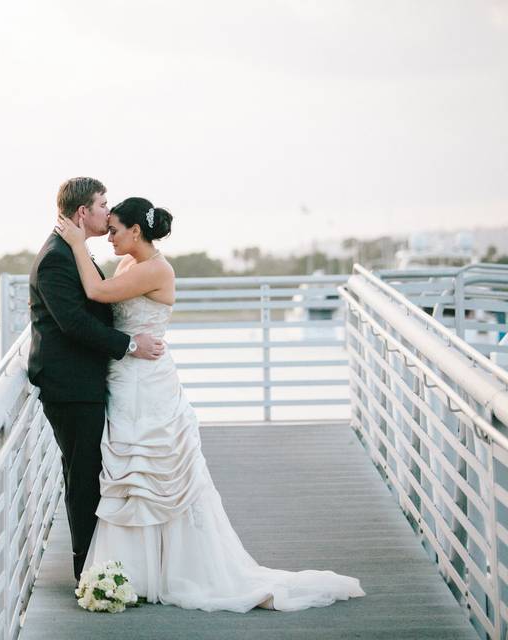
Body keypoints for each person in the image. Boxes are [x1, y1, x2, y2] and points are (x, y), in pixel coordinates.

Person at [54, 196, 365, 612]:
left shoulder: (156, 269)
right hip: (126, 378)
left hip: (148, 385)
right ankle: (135, 570)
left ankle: (171, 570)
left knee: (153, 470)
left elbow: (95, 291)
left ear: (135, 231)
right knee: (129, 473)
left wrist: (76, 242)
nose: (108, 237)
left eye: (113, 230)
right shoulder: (129, 264)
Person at [28, 178, 166, 581]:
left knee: (88, 470)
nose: (109, 213)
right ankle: (87, 572)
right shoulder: (57, 256)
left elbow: (95, 302)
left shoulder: (74, 250)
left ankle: (95, 564)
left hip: (84, 380)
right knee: (83, 474)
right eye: (103, 205)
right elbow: (72, 323)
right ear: (82, 212)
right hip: (69, 385)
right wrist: (129, 346)